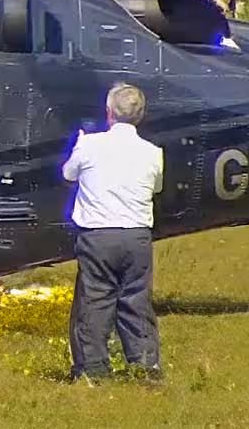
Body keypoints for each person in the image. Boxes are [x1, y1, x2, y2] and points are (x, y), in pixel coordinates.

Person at [62, 82, 164, 382]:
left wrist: (78, 147)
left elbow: (68, 174)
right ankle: (145, 365)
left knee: (94, 301)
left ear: (109, 113)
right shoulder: (152, 152)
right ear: (140, 115)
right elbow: (156, 187)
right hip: (137, 236)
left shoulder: (90, 145)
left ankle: (92, 370)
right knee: (136, 299)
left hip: (98, 236)